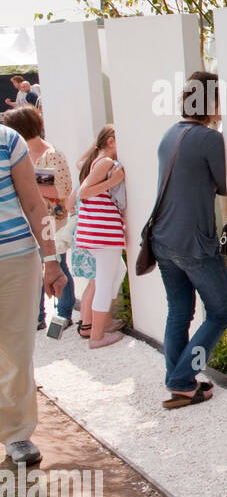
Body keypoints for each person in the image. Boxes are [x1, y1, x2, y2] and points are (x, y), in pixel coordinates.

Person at [150, 72, 227, 409]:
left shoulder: (171, 134)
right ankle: (182, 377)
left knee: (179, 312)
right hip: (194, 243)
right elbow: (226, 184)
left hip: (162, 237)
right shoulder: (209, 139)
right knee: (220, 312)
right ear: (211, 102)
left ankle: (181, 382)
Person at [1, 122, 68, 466]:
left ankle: (16, 434)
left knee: (16, 347)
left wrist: (52, 261)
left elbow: (34, 204)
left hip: (15, 260)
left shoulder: (8, 140)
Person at [2, 107, 76, 330]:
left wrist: (29, 184)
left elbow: (63, 190)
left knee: (57, 264)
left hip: (51, 221)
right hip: (26, 223)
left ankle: (63, 315)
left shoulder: (50, 154)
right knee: (37, 267)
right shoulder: (18, 153)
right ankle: (38, 316)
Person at [73, 125, 127, 348]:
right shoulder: (105, 163)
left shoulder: (99, 162)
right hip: (102, 233)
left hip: (100, 232)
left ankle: (102, 323)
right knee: (105, 281)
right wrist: (112, 182)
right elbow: (83, 192)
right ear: (112, 141)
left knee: (117, 273)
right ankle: (97, 336)